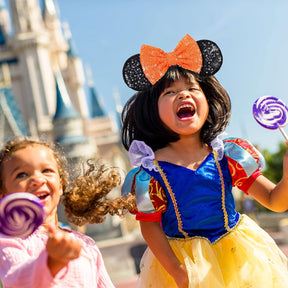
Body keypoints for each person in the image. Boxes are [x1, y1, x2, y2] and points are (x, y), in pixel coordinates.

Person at [120, 34, 288, 287]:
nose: (183, 95)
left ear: (207, 100)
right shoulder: (149, 172)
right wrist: (177, 270)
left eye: (192, 89)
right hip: (181, 265)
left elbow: (276, 201)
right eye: (170, 92)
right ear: (152, 109)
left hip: (238, 258)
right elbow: (150, 228)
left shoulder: (228, 155)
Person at [0, 137, 133, 288]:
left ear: (61, 184)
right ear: (3, 195)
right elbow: (17, 280)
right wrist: (51, 261)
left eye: (47, 170)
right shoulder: (10, 240)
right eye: (21, 175)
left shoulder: (85, 244)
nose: (37, 179)